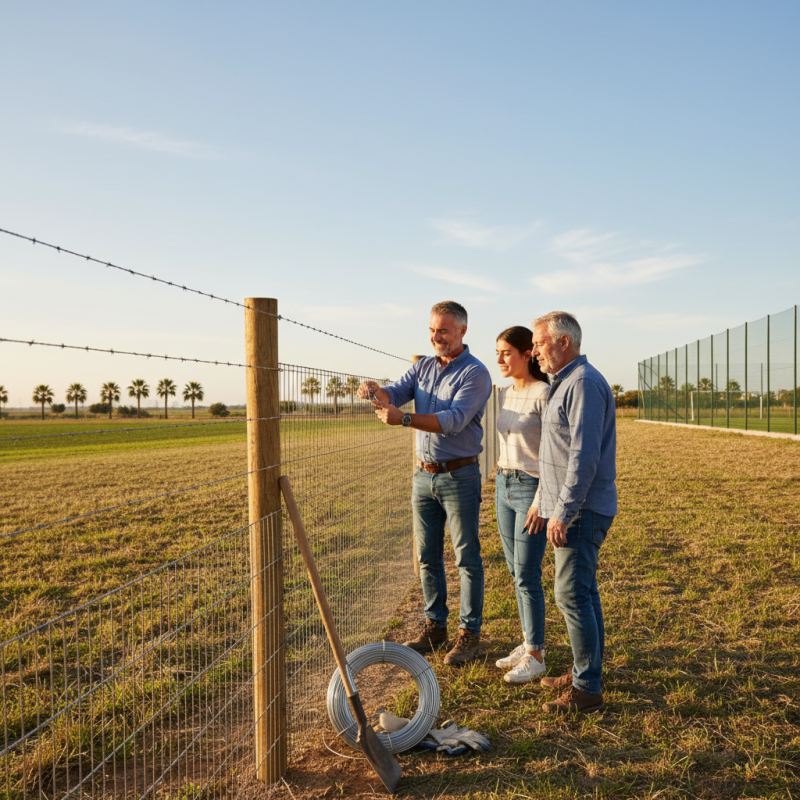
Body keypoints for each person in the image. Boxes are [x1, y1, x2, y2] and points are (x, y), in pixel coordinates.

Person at [358, 301, 492, 666]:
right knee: (427, 557)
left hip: (459, 475)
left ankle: (469, 634)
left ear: (462, 331)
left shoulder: (476, 373)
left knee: (466, 557)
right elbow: (396, 392)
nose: (436, 337)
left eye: (444, 330)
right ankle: (436, 627)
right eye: (432, 330)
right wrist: (375, 391)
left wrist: (404, 420)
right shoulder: (423, 367)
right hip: (423, 476)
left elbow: (454, 420)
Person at [525, 311, 617, 713]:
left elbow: (582, 457)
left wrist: (562, 512)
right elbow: (556, 454)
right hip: (572, 506)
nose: (534, 352)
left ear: (564, 342)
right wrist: (542, 502)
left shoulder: (583, 383)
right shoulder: (564, 383)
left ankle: (587, 689)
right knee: (584, 591)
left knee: (570, 594)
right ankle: (586, 670)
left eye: (539, 343)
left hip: (582, 510)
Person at [493, 326, 550, 683]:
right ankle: (530, 641)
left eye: (506, 352)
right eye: (497, 352)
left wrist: (543, 499)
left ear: (527, 354)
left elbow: (555, 453)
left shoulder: (544, 393)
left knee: (527, 574)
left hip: (531, 487)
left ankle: (536, 656)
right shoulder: (506, 393)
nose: (500, 359)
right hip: (503, 484)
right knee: (516, 572)